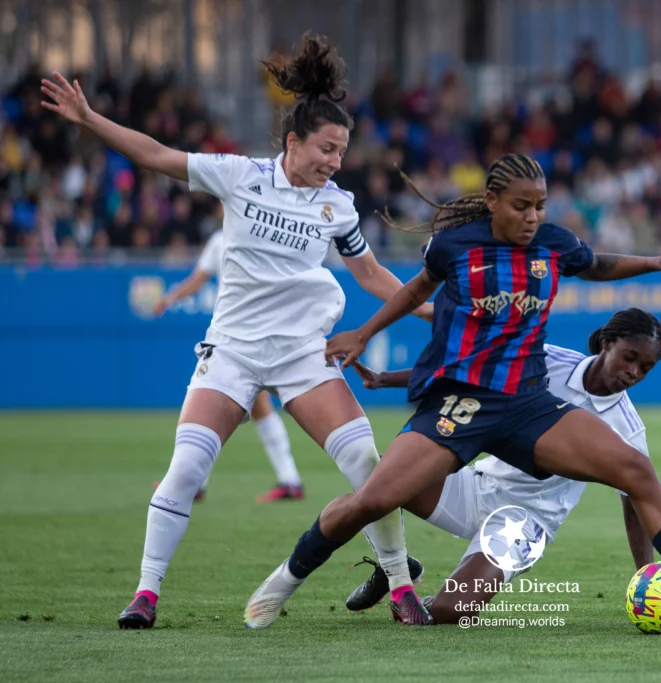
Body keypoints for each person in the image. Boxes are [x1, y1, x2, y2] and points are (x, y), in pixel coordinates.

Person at [41, 33, 431, 629]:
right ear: (294, 141)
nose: (334, 162)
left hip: (304, 353)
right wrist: (90, 118)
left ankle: (402, 587)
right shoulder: (237, 175)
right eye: (326, 149)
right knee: (187, 468)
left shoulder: (340, 207)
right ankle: (146, 594)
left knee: (367, 465)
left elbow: (374, 276)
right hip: (234, 353)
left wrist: (438, 311)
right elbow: (155, 155)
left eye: (341, 153)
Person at [243, 152, 661, 629]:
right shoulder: (454, 246)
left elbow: (597, 264)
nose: (532, 217)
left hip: (526, 406)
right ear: (492, 201)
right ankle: (287, 579)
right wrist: (364, 334)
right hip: (463, 403)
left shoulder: (554, 245)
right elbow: (415, 292)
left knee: (635, 468)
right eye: (521, 205)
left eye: (540, 205)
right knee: (372, 498)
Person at [247, 308, 661, 628]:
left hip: (525, 524)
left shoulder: (628, 429)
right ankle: (392, 568)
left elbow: (636, 501)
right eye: (630, 357)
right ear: (607, 342)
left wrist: (646, 574)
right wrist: (387, 380)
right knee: (378, 486)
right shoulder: (548, 360)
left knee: (451, 616)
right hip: (473, 486)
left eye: (646, 368)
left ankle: (409, 587)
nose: (634, 372)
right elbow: (471, 370)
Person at [153, 229, 305, 503]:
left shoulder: (241, 236)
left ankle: (194, 483)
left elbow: (198, 281)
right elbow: (198, 281)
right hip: (252, 336)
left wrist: (169, 298)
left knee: (218, 408)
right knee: (258, 411)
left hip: (239, 338)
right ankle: (290, 480)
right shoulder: (237, 237)